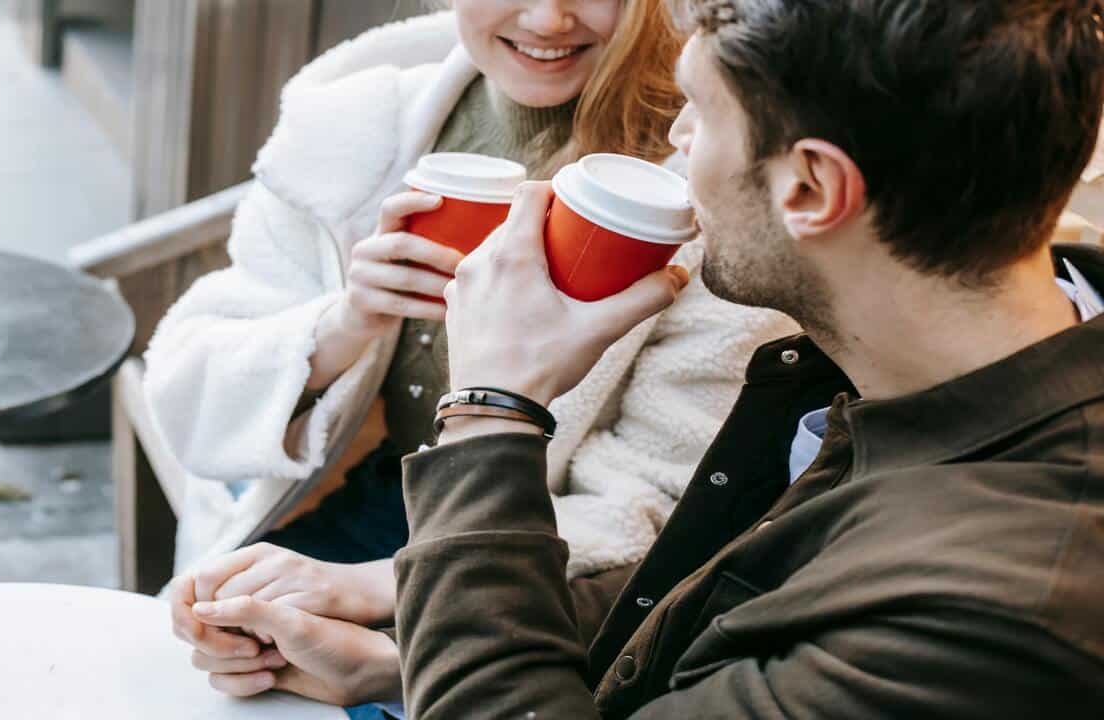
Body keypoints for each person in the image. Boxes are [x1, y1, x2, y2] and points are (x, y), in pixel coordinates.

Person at [180, 0, 1104, 717]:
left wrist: (492, 408)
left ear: (812, 187)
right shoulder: (881, 375)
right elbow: (705, 622)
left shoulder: (990, 612)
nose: (672, 142)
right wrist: (394, 663)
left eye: (698, 114)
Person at [150, 1, 793, 708]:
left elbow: (654, 502)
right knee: (202, 656)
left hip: (545, 560)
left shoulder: (702, 186)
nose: (549, 19)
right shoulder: (353, 124)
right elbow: (189, 387)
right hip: (360, 503)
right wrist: (346, 321)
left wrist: (367, 587)